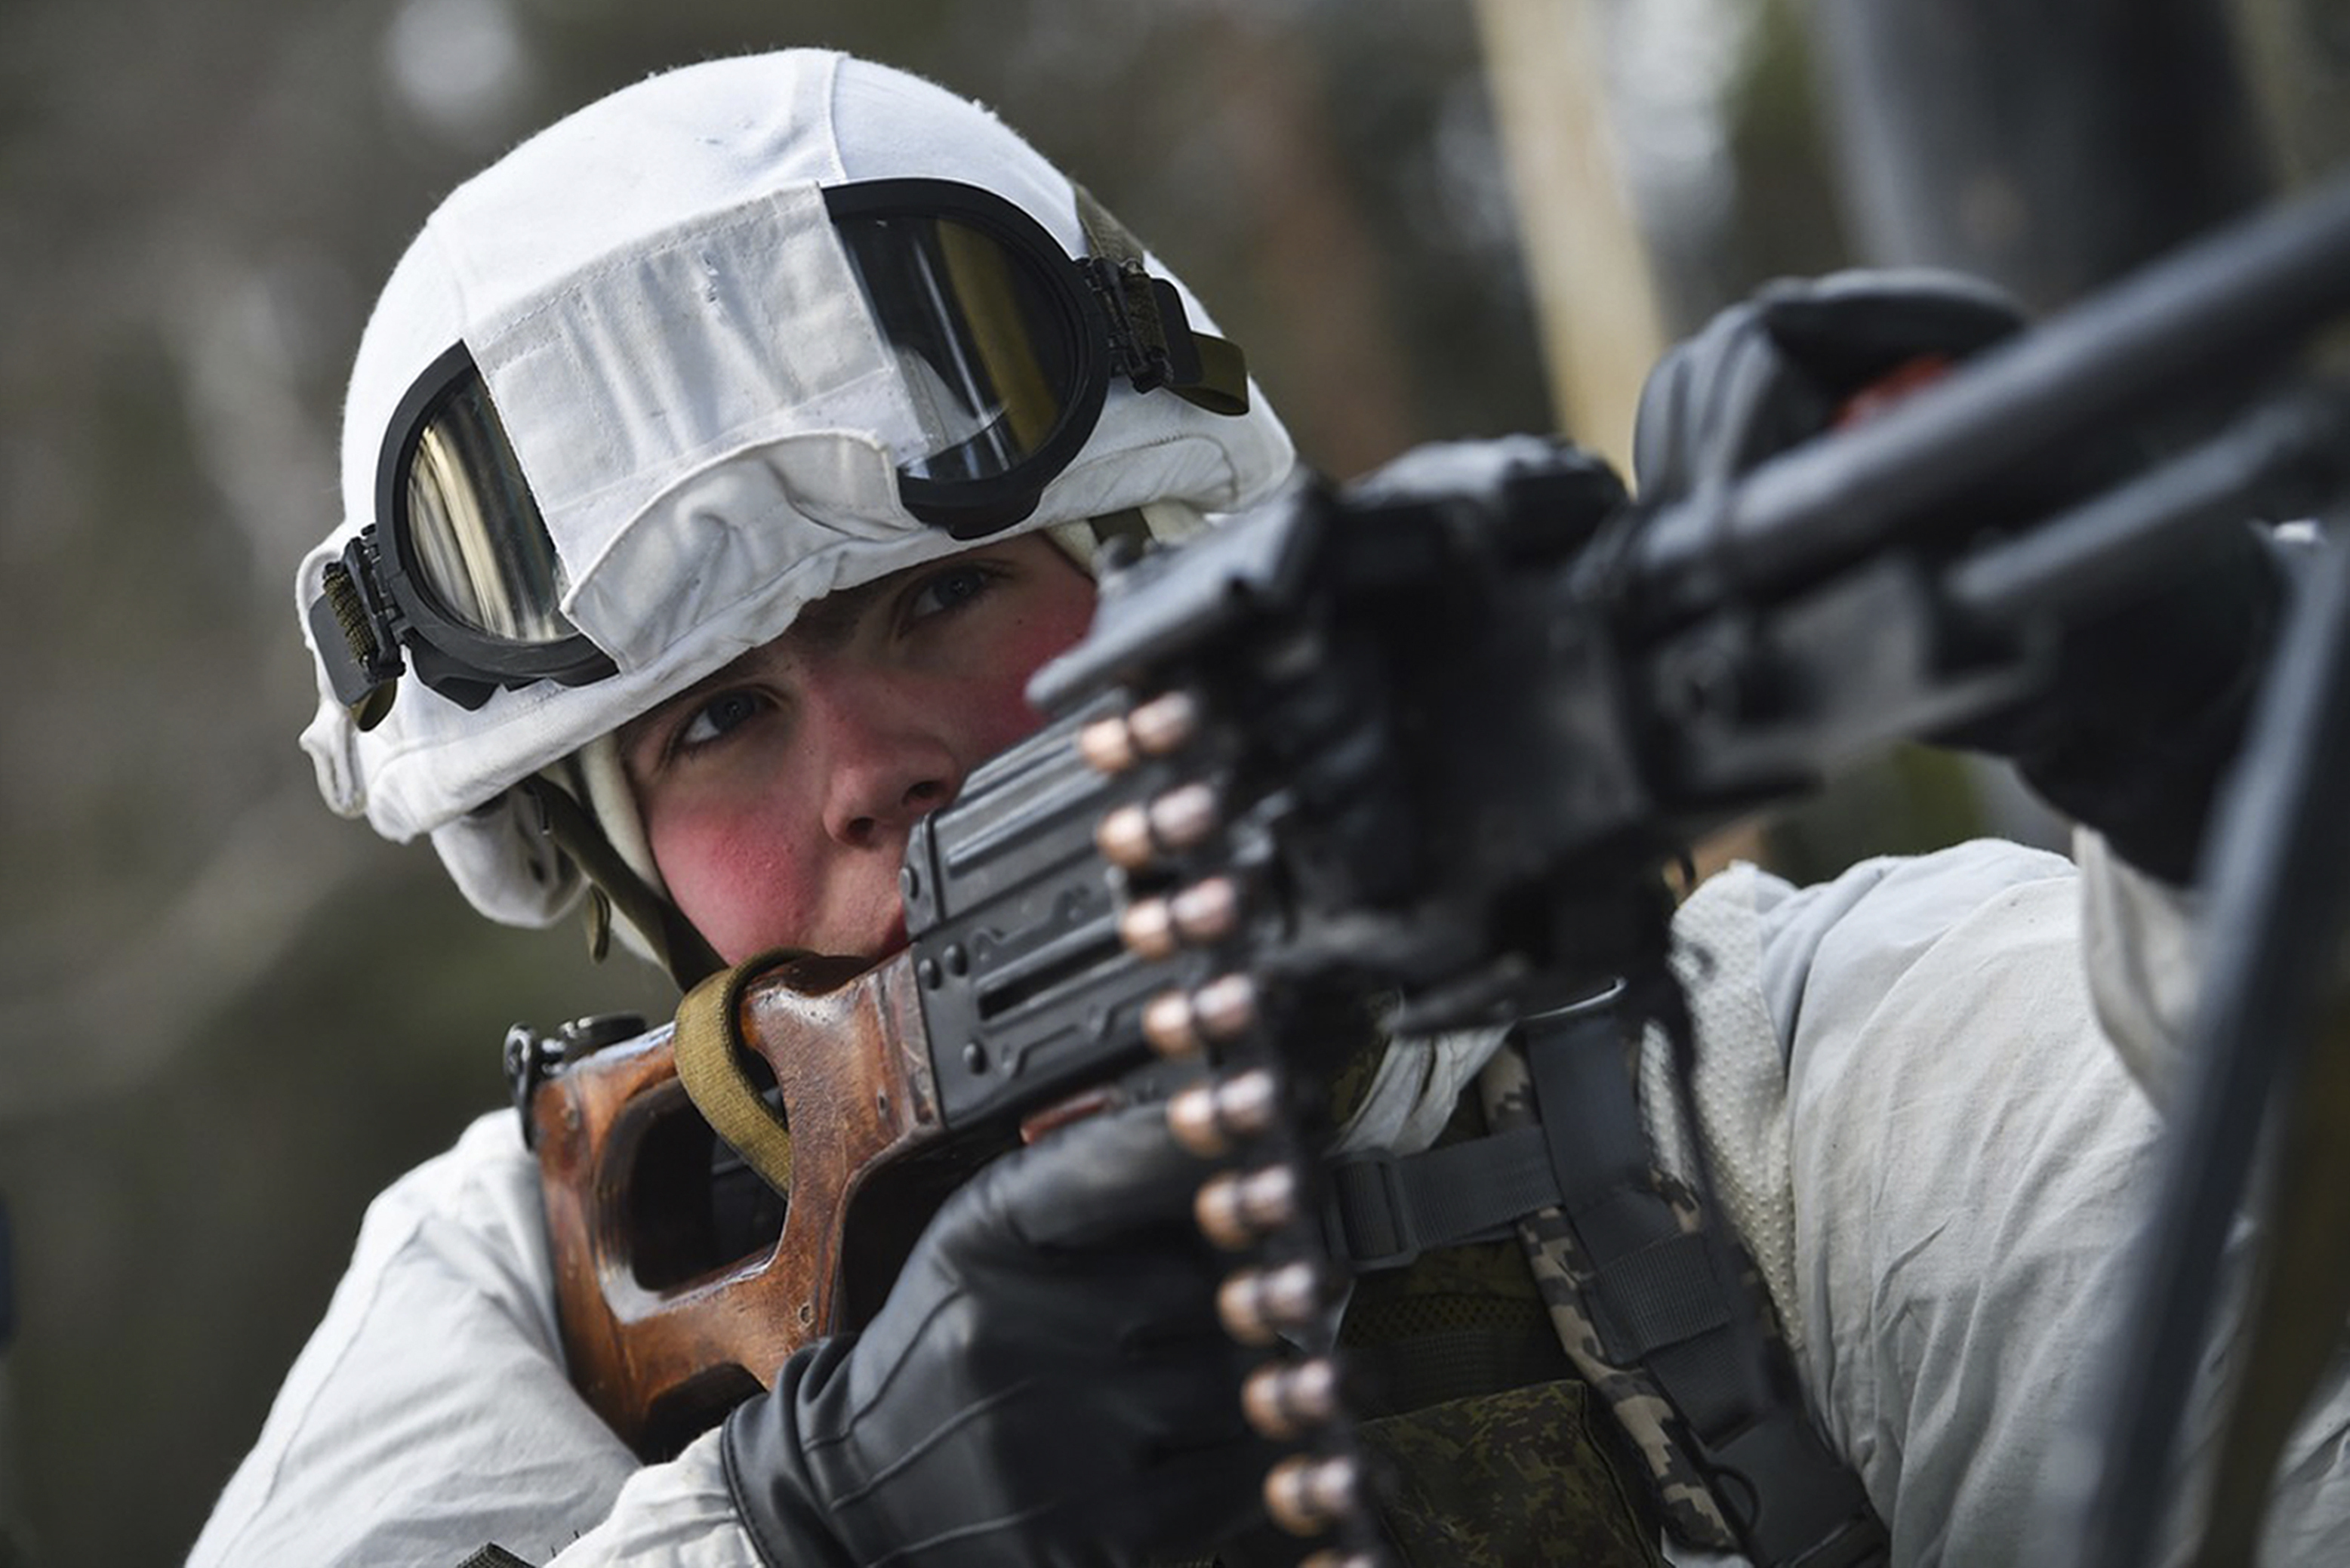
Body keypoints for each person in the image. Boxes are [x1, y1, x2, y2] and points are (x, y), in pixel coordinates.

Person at [188, 46, 2348, 1568]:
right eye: (711, 734)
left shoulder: (1750, 1096)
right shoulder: (536, 1295)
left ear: (1158, 580)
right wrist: (804, 1531)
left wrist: (2228, 758)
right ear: (617, 885)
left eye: (944, 598)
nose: (874, 774)